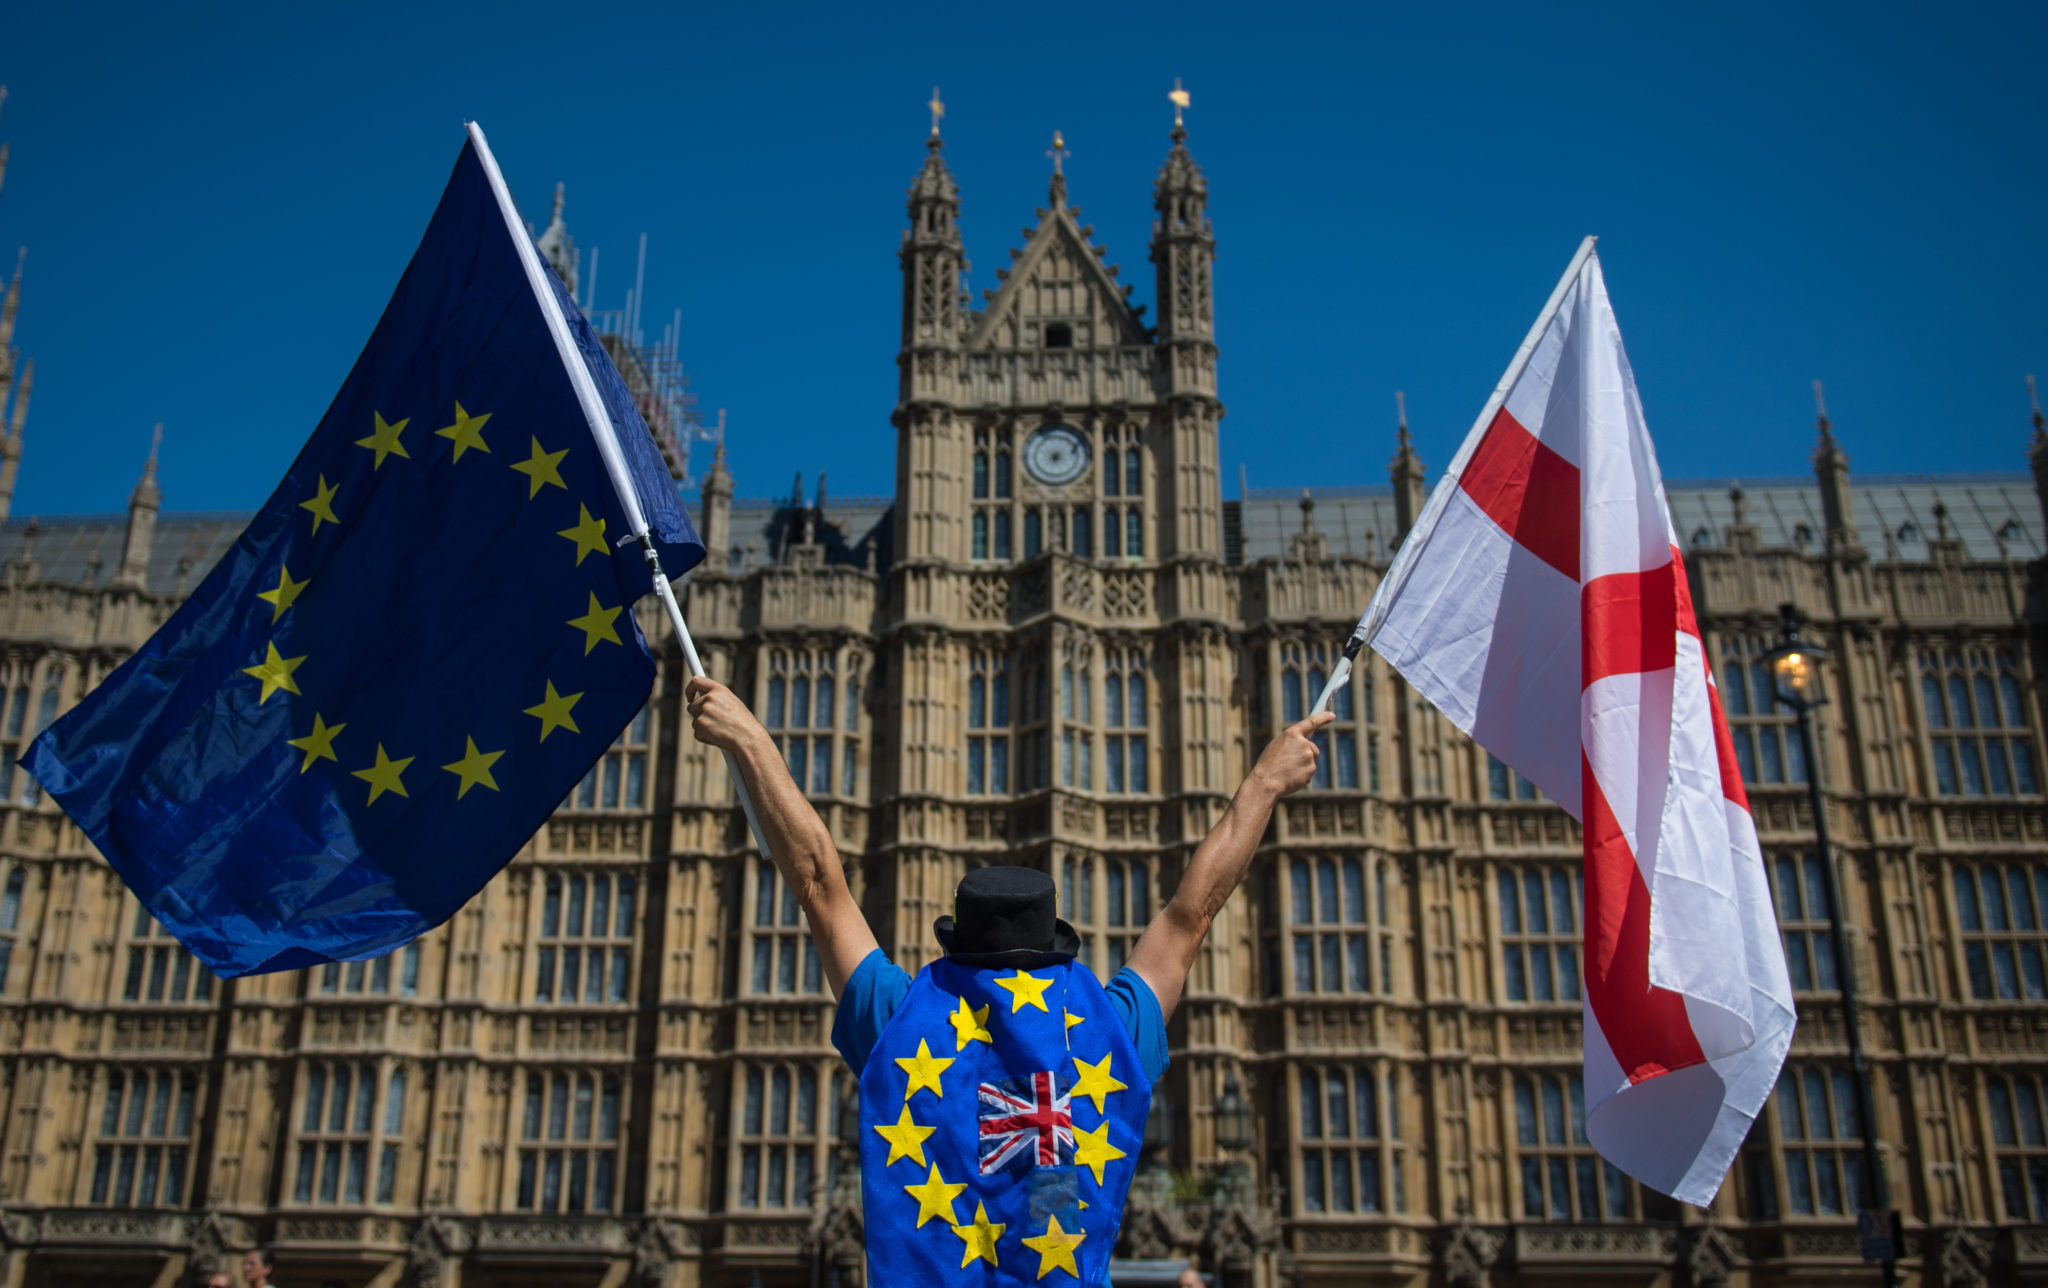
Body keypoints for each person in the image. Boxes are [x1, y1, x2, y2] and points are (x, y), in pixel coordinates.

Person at [687, 675, 1330, 1286]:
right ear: (1053, 943)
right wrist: (1262, 786)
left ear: (959, 940)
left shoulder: (903, 1024)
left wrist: (750, 742)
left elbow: (819, 885)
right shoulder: (1106, 1033)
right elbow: (1191, 915)